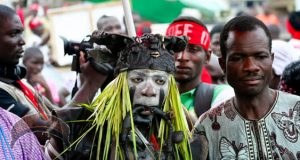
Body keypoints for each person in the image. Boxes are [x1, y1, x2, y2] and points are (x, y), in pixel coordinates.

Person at [56, 33, 192, 159]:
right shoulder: (79, 130)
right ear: (120, 84)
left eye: (160, 81)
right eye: (138, 79)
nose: (150, 91)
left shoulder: (182, 129)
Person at [192, 15, 300, 159]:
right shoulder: (206, 127)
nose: (251, 67)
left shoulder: (297, 110)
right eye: (238, 58)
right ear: (223, 65)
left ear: (271, 60)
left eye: (260, 56)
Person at [165, 16, 234, 123]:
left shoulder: (223, 95)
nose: (182, 57)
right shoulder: (151, 94)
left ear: (207, 56)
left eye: (193, 49)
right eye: (175, 49)